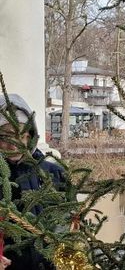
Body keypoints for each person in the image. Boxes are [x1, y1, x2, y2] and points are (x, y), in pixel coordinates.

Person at [0, 94, 66, 269]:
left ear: (30, 136)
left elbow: (68, 221)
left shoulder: (53, 173)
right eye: (6, 136)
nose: (14, 145)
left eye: (21, 135)